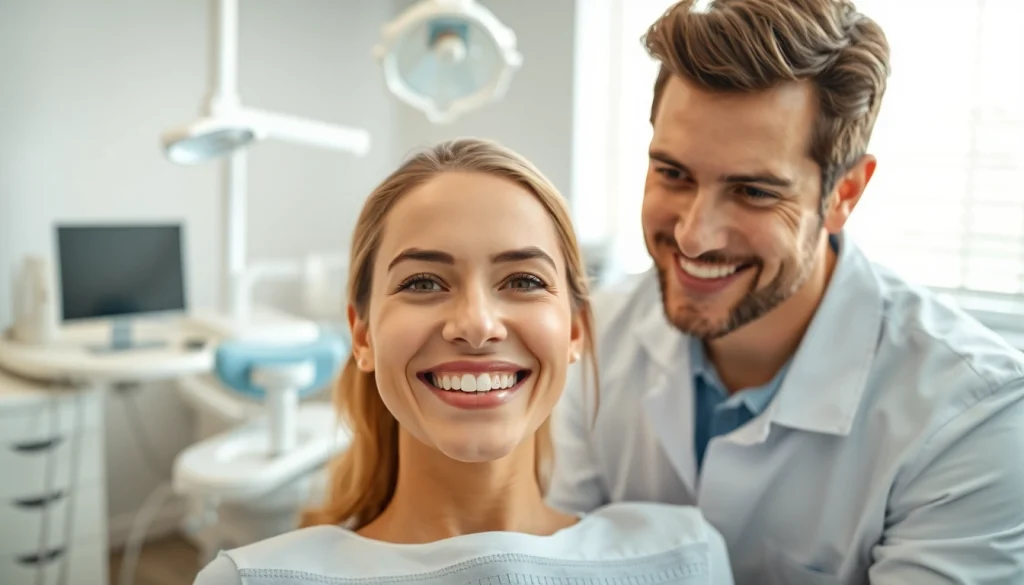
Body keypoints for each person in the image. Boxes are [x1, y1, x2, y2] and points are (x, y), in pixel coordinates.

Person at [547, 1, 1024, 584]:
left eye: (753, 191)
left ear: (844, 194)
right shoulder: (589, 340)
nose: (693, 236)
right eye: (673, 174)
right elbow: (552, 564)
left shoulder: (973, 418)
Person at [192, 138, 734, 585]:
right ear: (362, 335)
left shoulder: (686, 559)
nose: (476, 324)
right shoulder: (249, 580)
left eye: (523, 280)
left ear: (574, 330)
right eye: (423, 283)